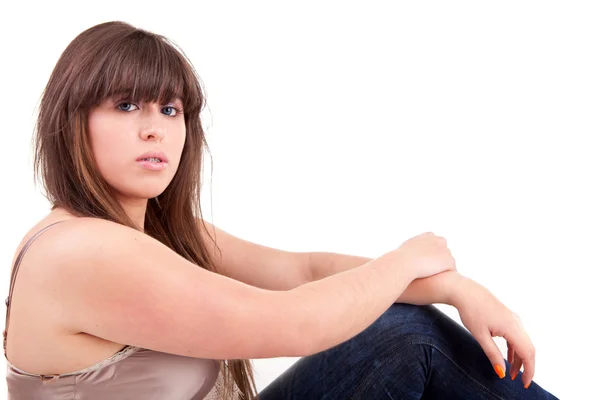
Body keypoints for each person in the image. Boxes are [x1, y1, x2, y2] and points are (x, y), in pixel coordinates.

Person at [2, 20, 558, 400]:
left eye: (170, 109)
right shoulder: (79, 251)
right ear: (73, 121)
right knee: (403, 337)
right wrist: (409, 258)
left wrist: (459, 289)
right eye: (126, 105)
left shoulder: (156, 234)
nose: (155, 127)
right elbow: (289, 323)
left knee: (401, 329)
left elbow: (304, 273)